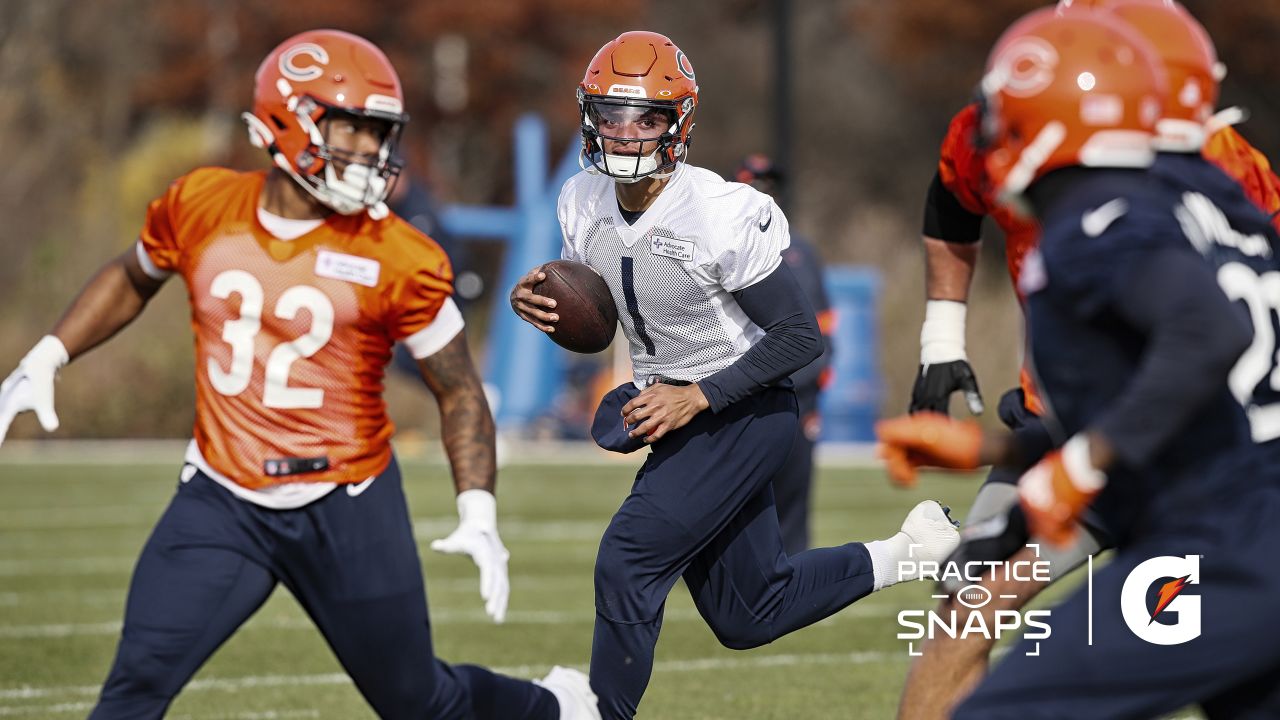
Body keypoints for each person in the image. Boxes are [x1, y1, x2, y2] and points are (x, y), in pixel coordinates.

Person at [0, 29, 597, 720]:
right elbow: (134, 276)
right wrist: (50, 353)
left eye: (380, 135)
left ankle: (556, 709)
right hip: (223, 499)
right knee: (131, 693)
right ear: (283, 124)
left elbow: (458, 387)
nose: (372, 154)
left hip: (346, 502)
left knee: (419, 702)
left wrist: (479, 508)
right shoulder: (201, 205)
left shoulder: (399, 254)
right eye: (352, 132)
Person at [510, 30, 961, 719]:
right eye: (612, 114)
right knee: (749, 612)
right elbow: (600, 318)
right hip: (675, 409)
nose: (627, 133)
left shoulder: (717, 214)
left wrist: (699, 394)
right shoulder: (580, 202)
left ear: (680, 123)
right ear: (589, 116)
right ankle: (910, 550)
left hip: (743, 411)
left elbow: (799, 336)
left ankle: (599, 711)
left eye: (648, 117)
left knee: (628, 557)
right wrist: (540, 305)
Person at [881, 8, 1280, 717]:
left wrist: (1076, 466)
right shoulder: (1216, 199)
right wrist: (1002, 446)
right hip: (1189, 480)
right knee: (969, 604)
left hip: (1215, 528)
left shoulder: (1109, 213)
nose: (989, 137)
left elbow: (1203, 341)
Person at [734, 153, 835, 555]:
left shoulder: (802, 252)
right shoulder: (720, 240)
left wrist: (819, 382)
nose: (763, 191)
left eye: (769, 184)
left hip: (798, 390)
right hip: (739, 387)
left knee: (793, 487)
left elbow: (825, 324)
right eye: (754, 181)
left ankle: (793, 567)